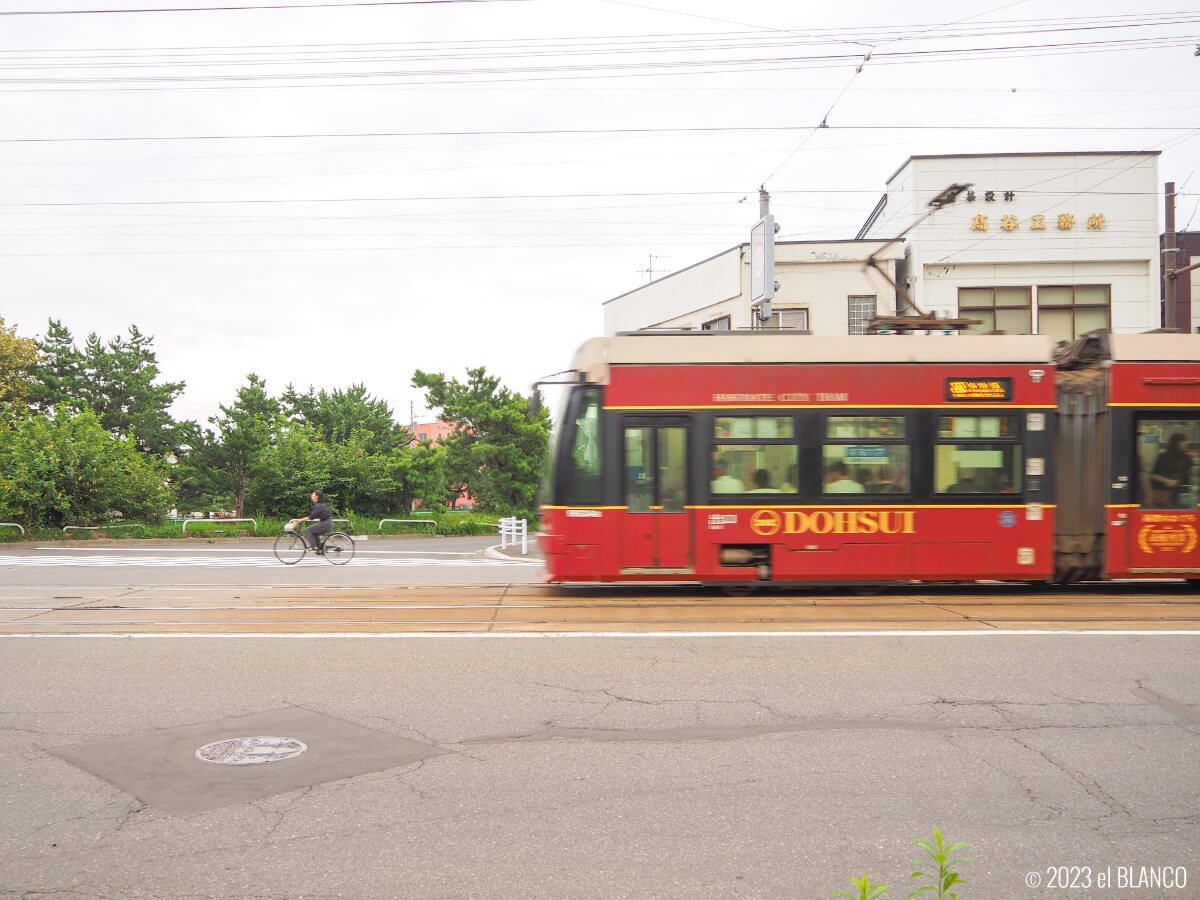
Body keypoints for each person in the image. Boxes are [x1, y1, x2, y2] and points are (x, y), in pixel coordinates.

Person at [1150, 432, 1193, 508]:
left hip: (1181, 494)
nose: (1186, 443)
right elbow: (1153, 475)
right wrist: (1167, 480)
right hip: (1163, 493)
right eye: (1183, 441)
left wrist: (1178, 481)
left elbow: (1187, 475)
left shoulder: (1187, 458)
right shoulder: (1163, 457)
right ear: (1176, 443)